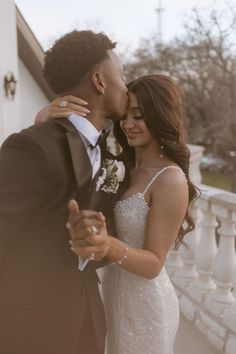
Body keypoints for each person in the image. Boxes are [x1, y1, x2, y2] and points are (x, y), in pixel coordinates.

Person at [38, 74, 198, 354]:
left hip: (146, 307)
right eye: (125, 116)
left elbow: (154, 264)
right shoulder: (117, 167)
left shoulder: (170, 179)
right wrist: (43, 121)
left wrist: (108, 245)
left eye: (138, 116)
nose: (127, 125)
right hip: (111, 293)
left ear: (160, 116)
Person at [0, 30, 128, 354]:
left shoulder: (111, 159)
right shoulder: (31, 147)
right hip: (30, 329)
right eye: (122, 74)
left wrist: (100, 244)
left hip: (87, 320)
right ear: (99, 81)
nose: (126, 85)